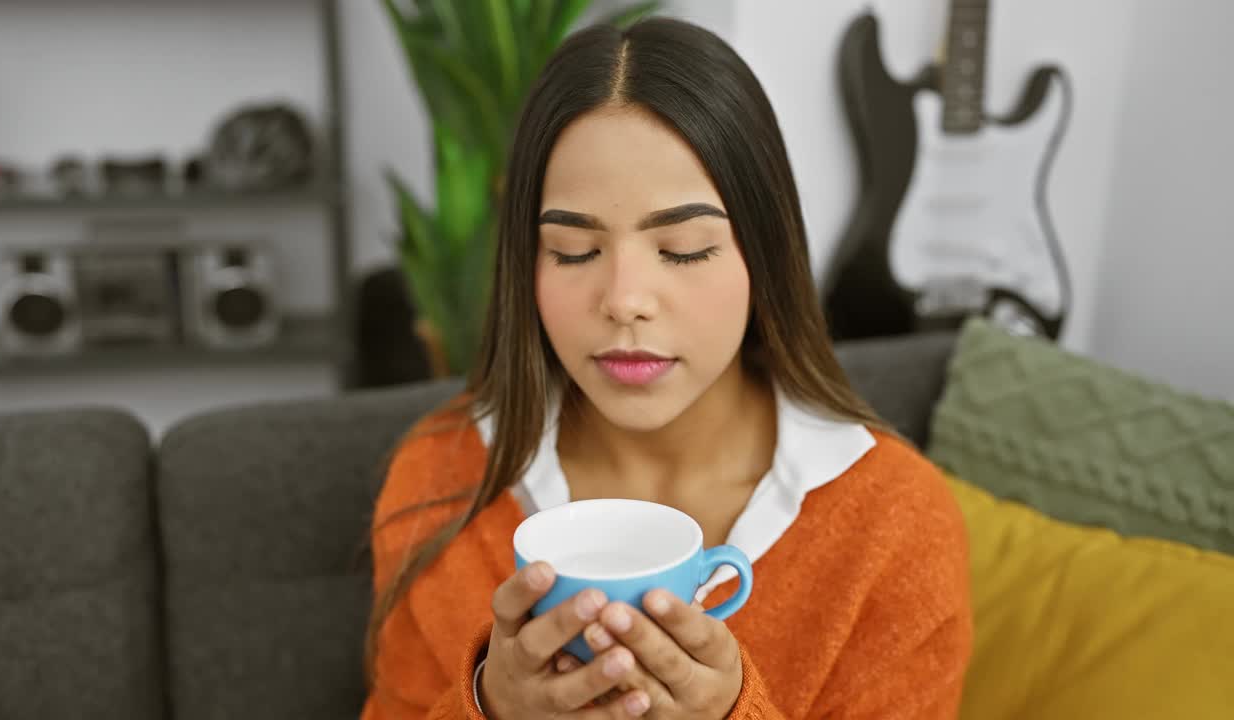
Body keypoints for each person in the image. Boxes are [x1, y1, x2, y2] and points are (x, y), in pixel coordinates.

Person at [361, 17, 972, 720]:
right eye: (572, 251)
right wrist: (487, 709)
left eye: (682, 249)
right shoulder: (439, 479)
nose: (624, 302)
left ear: (766, 256)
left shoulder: (895, 524)